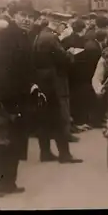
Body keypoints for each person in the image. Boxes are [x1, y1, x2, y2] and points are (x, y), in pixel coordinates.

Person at [0, 0, 46, 195]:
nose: (27, 20)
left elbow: (28, 68)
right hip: (5, 98)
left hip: (19, 97)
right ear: (14, 16)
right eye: (23, 16)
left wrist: (34, 85)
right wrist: (2, 98)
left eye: (30, 17)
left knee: (15, 142)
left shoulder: (24, 36)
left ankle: (9, 182)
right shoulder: (3, 36)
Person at [32, 11, 83, 163]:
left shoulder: (39, 36)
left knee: (44, 119)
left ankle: (45, 152)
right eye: (63, 24)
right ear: (56, 23)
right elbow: (62, 58)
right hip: (55, 81)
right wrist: (70, 54)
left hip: (43, 81)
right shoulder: (51, 38)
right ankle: (64, 154)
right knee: (60, 118)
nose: (64, 27)